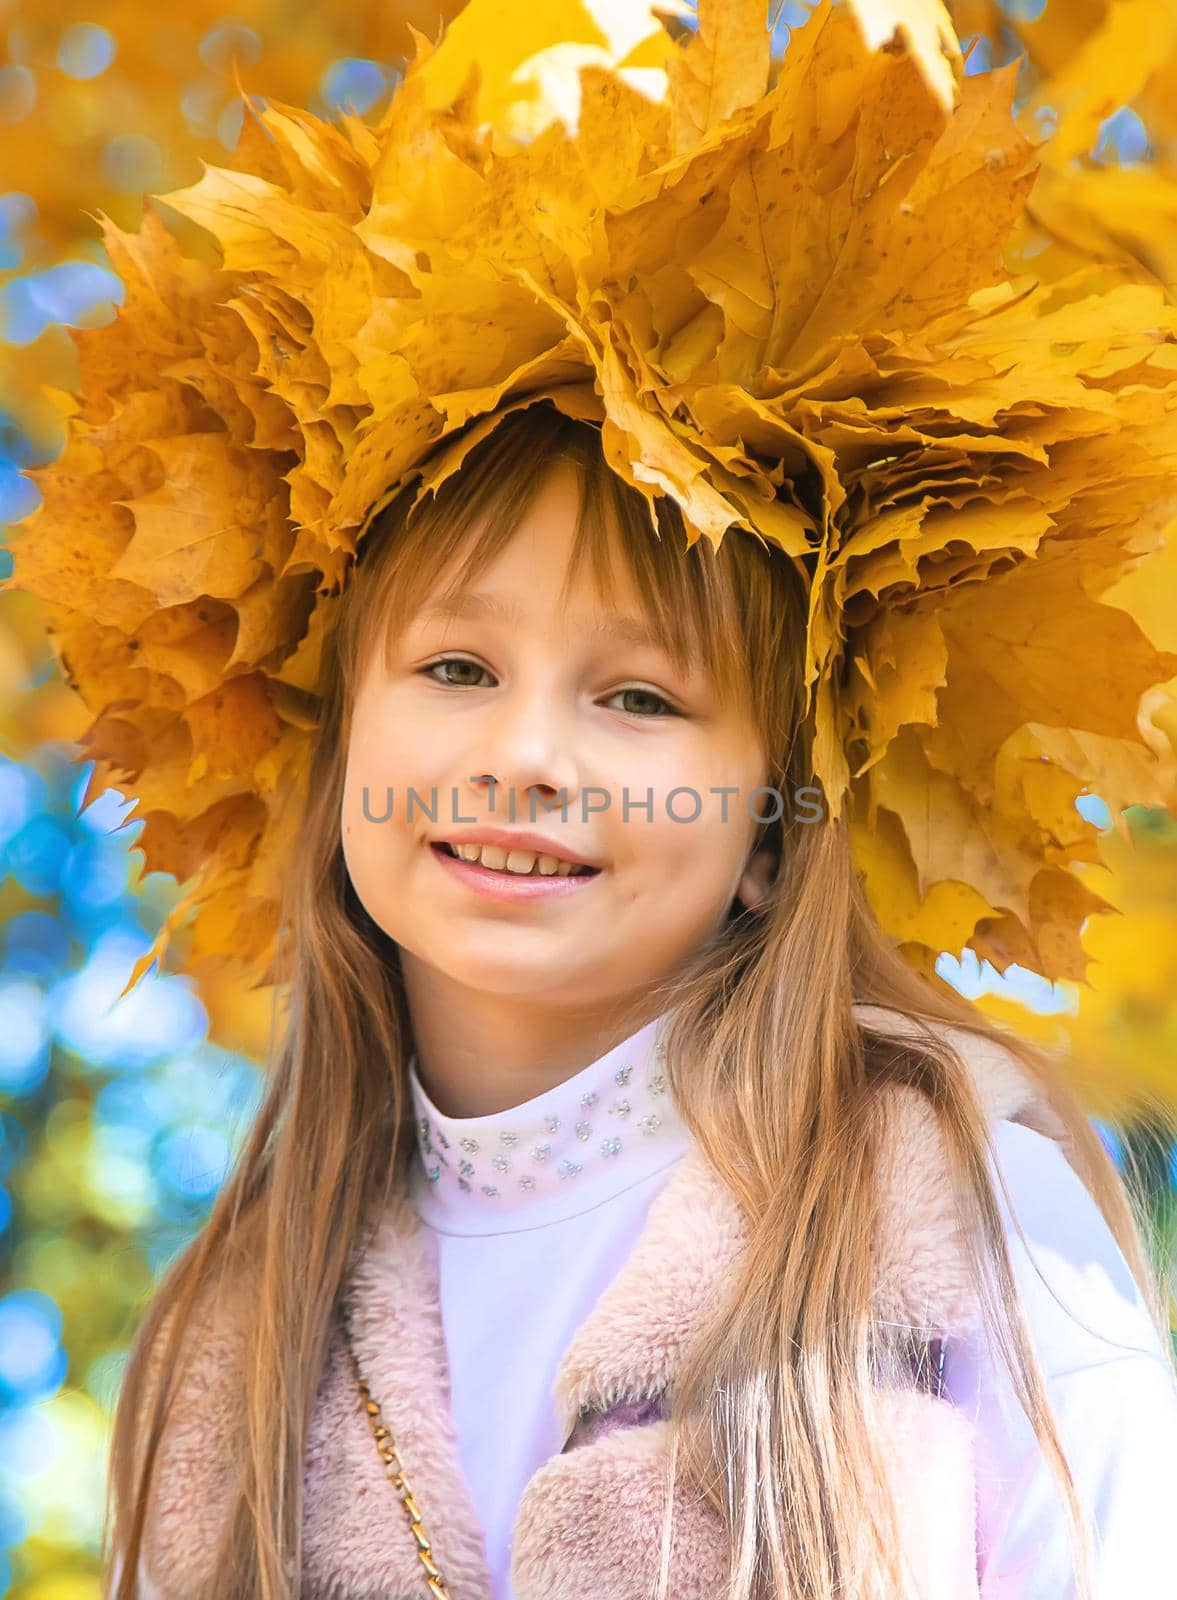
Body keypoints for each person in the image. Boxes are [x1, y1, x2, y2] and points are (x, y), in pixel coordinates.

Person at [9, 4, 1177, 1599]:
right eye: (456, 669)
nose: (528, 755)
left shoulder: (954, 1212)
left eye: (637, 698)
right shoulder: (240, 1324)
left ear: (774, 827)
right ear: (337, 735)